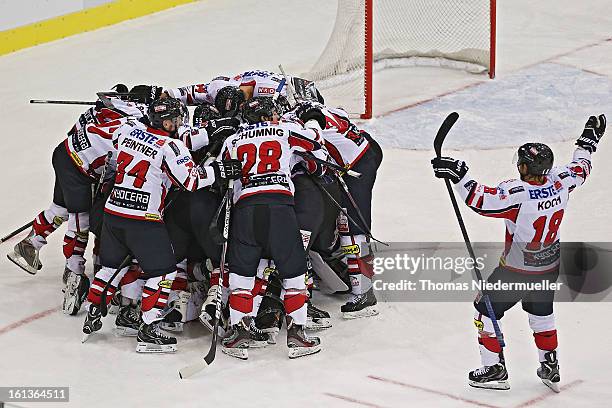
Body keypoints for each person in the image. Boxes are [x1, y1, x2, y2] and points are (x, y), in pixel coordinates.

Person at [431, 114, 606, 391]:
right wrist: (588, 141)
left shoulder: (518, 193)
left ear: (525, 167)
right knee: (541, 314)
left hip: (516, 270)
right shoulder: (562, 181)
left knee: (484, 312)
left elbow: (479, 200)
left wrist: (459, 174)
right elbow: (581, 166)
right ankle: (550, 364)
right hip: (549, 265)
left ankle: (494, 370)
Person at [81, 97, 242, 353]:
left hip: (113, 214)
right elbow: (190, 181)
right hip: (142, 220)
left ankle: (93, 310)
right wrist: (220, 170)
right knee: (164, 273)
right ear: (167, 123)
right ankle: (148, 328)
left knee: (111, 267)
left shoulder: (127, 133)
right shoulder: (171, 146)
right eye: (176, 120)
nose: (179, 124)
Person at [218, 96, 328, 360]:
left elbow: (223, 174)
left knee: (242, 275)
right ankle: (298, 336)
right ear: (268, 117)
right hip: (279, 208)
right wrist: (312, 118)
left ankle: (239, 333)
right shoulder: (284, 130)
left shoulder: (232, 140)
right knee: (294, 273)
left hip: (245, 210)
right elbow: (316, 141)